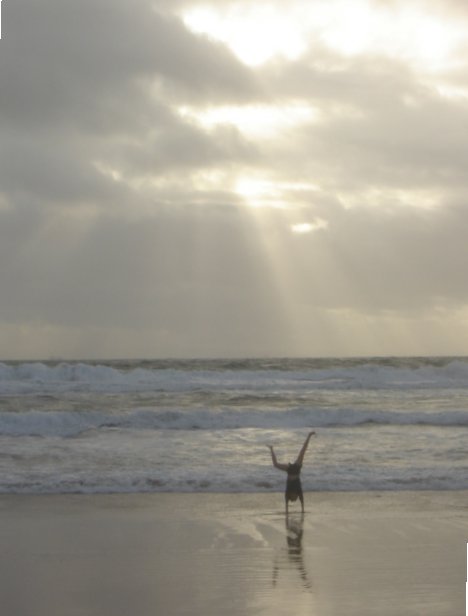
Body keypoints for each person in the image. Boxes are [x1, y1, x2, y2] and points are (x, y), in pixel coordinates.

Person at [268, 431, 316, 514]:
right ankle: (309, 435)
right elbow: (302, 501)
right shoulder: (299, 491)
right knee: (303, 451)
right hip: (296, 469)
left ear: (291, 496)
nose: (294, 497)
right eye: (295, 498)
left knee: (275, 465)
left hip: (290, 470)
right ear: (296, 496)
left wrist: (287, 511)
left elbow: (286, 503)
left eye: (292, 498)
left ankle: (271, 449)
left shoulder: (288, 493)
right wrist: (302, 510)